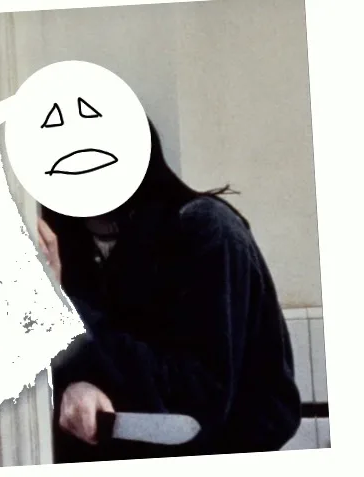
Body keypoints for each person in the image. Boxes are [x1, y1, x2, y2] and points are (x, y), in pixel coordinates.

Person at [37, 118, 302, 462]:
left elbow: (197, 397)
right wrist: (74, 385)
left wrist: (64, 310)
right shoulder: (67, 243)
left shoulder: (204, 229)